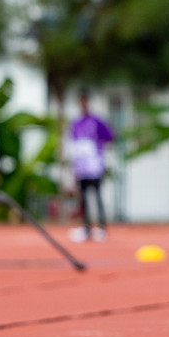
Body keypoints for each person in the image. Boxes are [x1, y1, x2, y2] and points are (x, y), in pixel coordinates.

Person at [68, 91, 114, 243]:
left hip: (94, 166)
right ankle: (86, 228)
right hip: (81, 167)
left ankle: (101, 228)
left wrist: (100, 154)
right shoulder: (75, 123)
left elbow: (110, 136)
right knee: (83, 199)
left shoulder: (96, 121)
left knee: (97, 196)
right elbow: (73, 146)